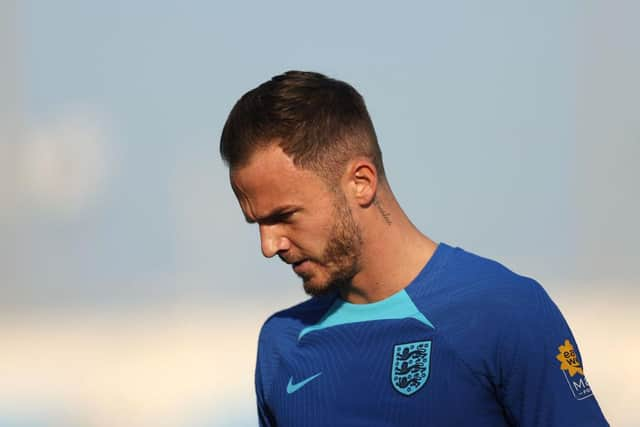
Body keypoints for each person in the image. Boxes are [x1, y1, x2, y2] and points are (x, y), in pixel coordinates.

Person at [219, 71, 608, 426]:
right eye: (258, 224)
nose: (269, 245)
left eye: (284, 215)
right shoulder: (282, 345)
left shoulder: (505, 312)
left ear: (360, 182)